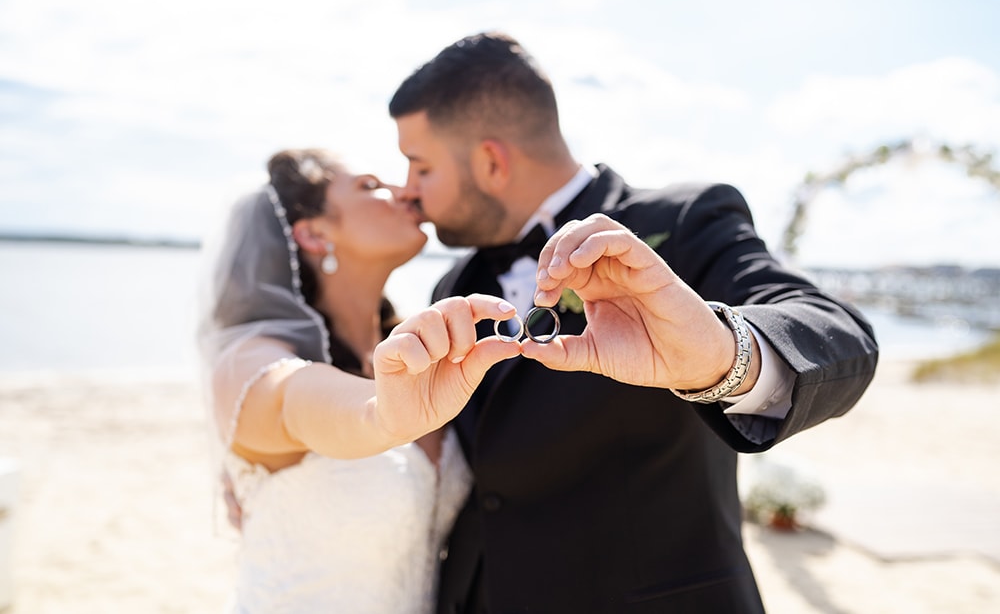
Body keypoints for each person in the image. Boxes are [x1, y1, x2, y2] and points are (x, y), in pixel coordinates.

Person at [388, 32, 879, 613]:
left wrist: (719, 356)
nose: (408, 192)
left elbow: (837, 335)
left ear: (491, 161)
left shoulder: (682, 222)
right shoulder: (453, 285)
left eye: (420, 168)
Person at [196, 148, 522, 613]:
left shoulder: (420, 351)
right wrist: (382, 415)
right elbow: (291, 401)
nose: (405, 192)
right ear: (313, 233)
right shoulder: (251, 360)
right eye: (371, 186)